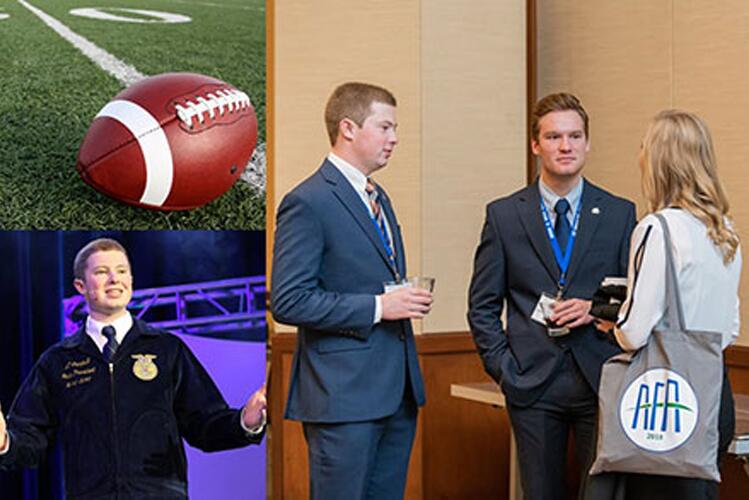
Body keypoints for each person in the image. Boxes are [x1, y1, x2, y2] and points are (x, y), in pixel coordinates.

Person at [0, 238, 267, 499]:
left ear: (131, 281)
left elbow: (205, 424)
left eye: (122, 271)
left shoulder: (166, 349)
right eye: (102, 272)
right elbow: (30, 437)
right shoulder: (58, 360)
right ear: (80, 285)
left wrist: (246, 421)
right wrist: (4, 441)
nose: (114, 279)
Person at [468, 92, 636, 500]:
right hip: (532, 383)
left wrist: (593, 310)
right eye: (555, 136)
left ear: (588, 143)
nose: (566, 146)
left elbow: (633, 298)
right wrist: (506, 370)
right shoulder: (505, 215)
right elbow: (483, 306)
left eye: (575, 136)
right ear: (535, 145)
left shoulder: (619, 213)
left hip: (601, 379)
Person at [271, 82, 433, 500]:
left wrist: (399, 300)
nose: (394, 138)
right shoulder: (308, 202)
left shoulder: (379, 197)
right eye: (385, 127)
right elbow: (288, 300)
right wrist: (380, 306)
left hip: (395, 393)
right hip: (343, 399)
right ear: (348, 128)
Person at [591, 110, 741, 500]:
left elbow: (634, 332)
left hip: (660, 404)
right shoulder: (725, 232)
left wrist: (614, 324)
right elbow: (731, 328)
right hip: (711, 393)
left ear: (659, 160)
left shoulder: (657, 228)